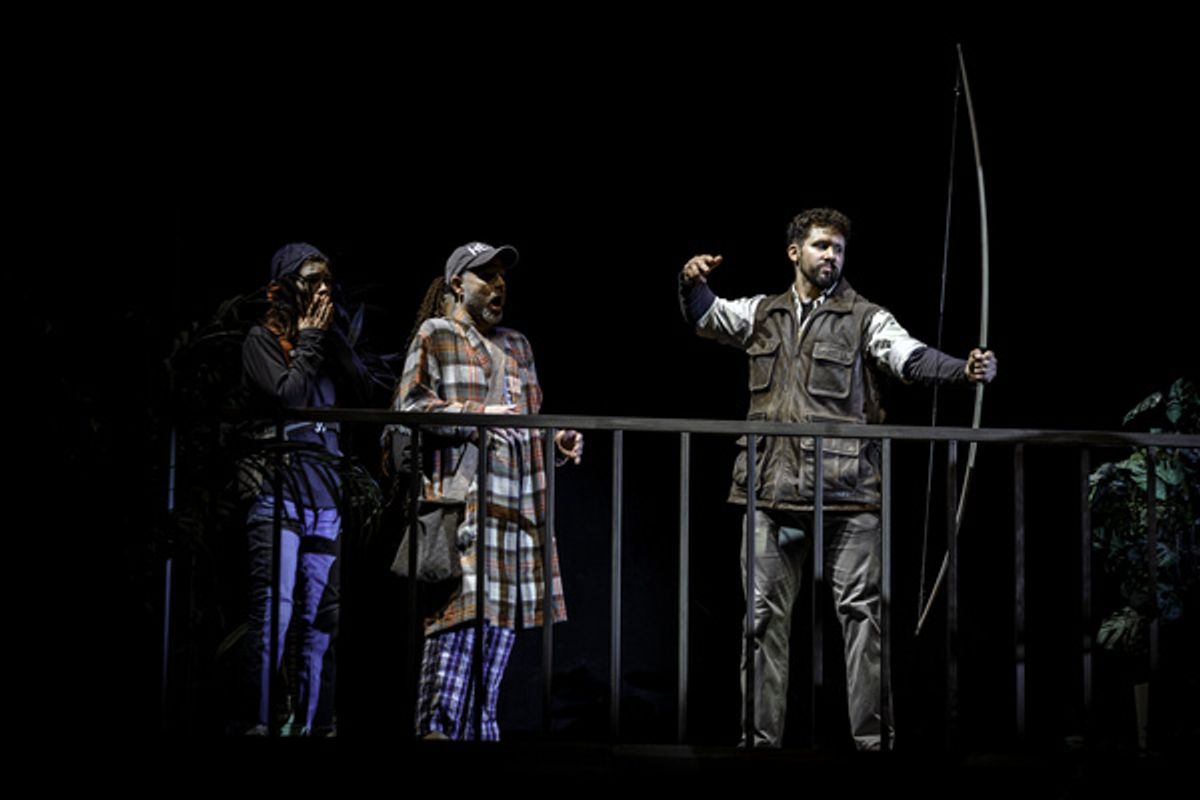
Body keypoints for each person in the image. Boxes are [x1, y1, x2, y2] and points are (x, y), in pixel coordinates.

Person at [678, 208, 997, 751]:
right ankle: (759, 744)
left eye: (839, 249)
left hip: (847, 494)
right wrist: (691, 285)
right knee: (760, 624)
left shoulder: (865, 317)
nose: (832, 256)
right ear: (794, 252)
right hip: (770, 491)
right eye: (822, 246)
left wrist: (963, 370)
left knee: (863, 621)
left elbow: (908, 357)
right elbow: (709, 318)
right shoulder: (764, 312)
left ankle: (873, 747)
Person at [395, 241, 583, 740]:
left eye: (502, 278)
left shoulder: (518, 345)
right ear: (459, 284)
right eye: (486, 277)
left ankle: (480, 740)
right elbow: (407, 410)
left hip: (515, 511)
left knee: (493, 652)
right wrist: (478, 417)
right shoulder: (435, 335)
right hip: (463, 512)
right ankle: (436, 736)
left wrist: (559, 440)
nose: (499, 286)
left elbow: (532, 419)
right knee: (452, 640)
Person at [239, 242, 344, 736]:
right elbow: (290, 397)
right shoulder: (261, 341)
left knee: (319, 623)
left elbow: (364, 390)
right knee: (274, 613)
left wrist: (329, 341)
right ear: (283, 289)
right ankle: (259, 722)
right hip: (277, 493)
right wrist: (307, 343)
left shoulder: (325, 346)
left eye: (327, 279)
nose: (322, 288)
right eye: (311, 280)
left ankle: (312, 726)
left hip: (325, 496)